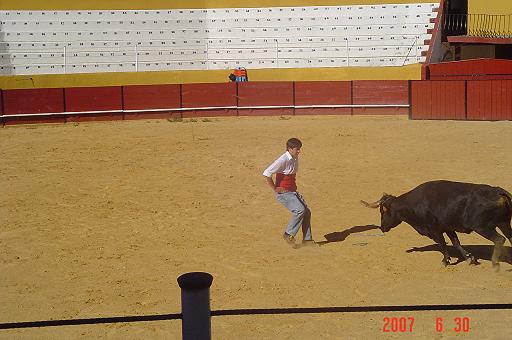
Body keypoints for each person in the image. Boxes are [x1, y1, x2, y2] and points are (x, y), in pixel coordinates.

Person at [263, 138, 317, 247]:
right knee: (300, 210)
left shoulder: (294, 157)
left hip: (292, 191)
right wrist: (275, 188)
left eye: (299, 149)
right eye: (297, 149)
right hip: (284, 193)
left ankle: (307, 240)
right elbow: (267, 173)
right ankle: (288, 234)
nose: (299, 151)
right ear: (290, 149)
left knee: (307, 212)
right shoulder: (282, 160)